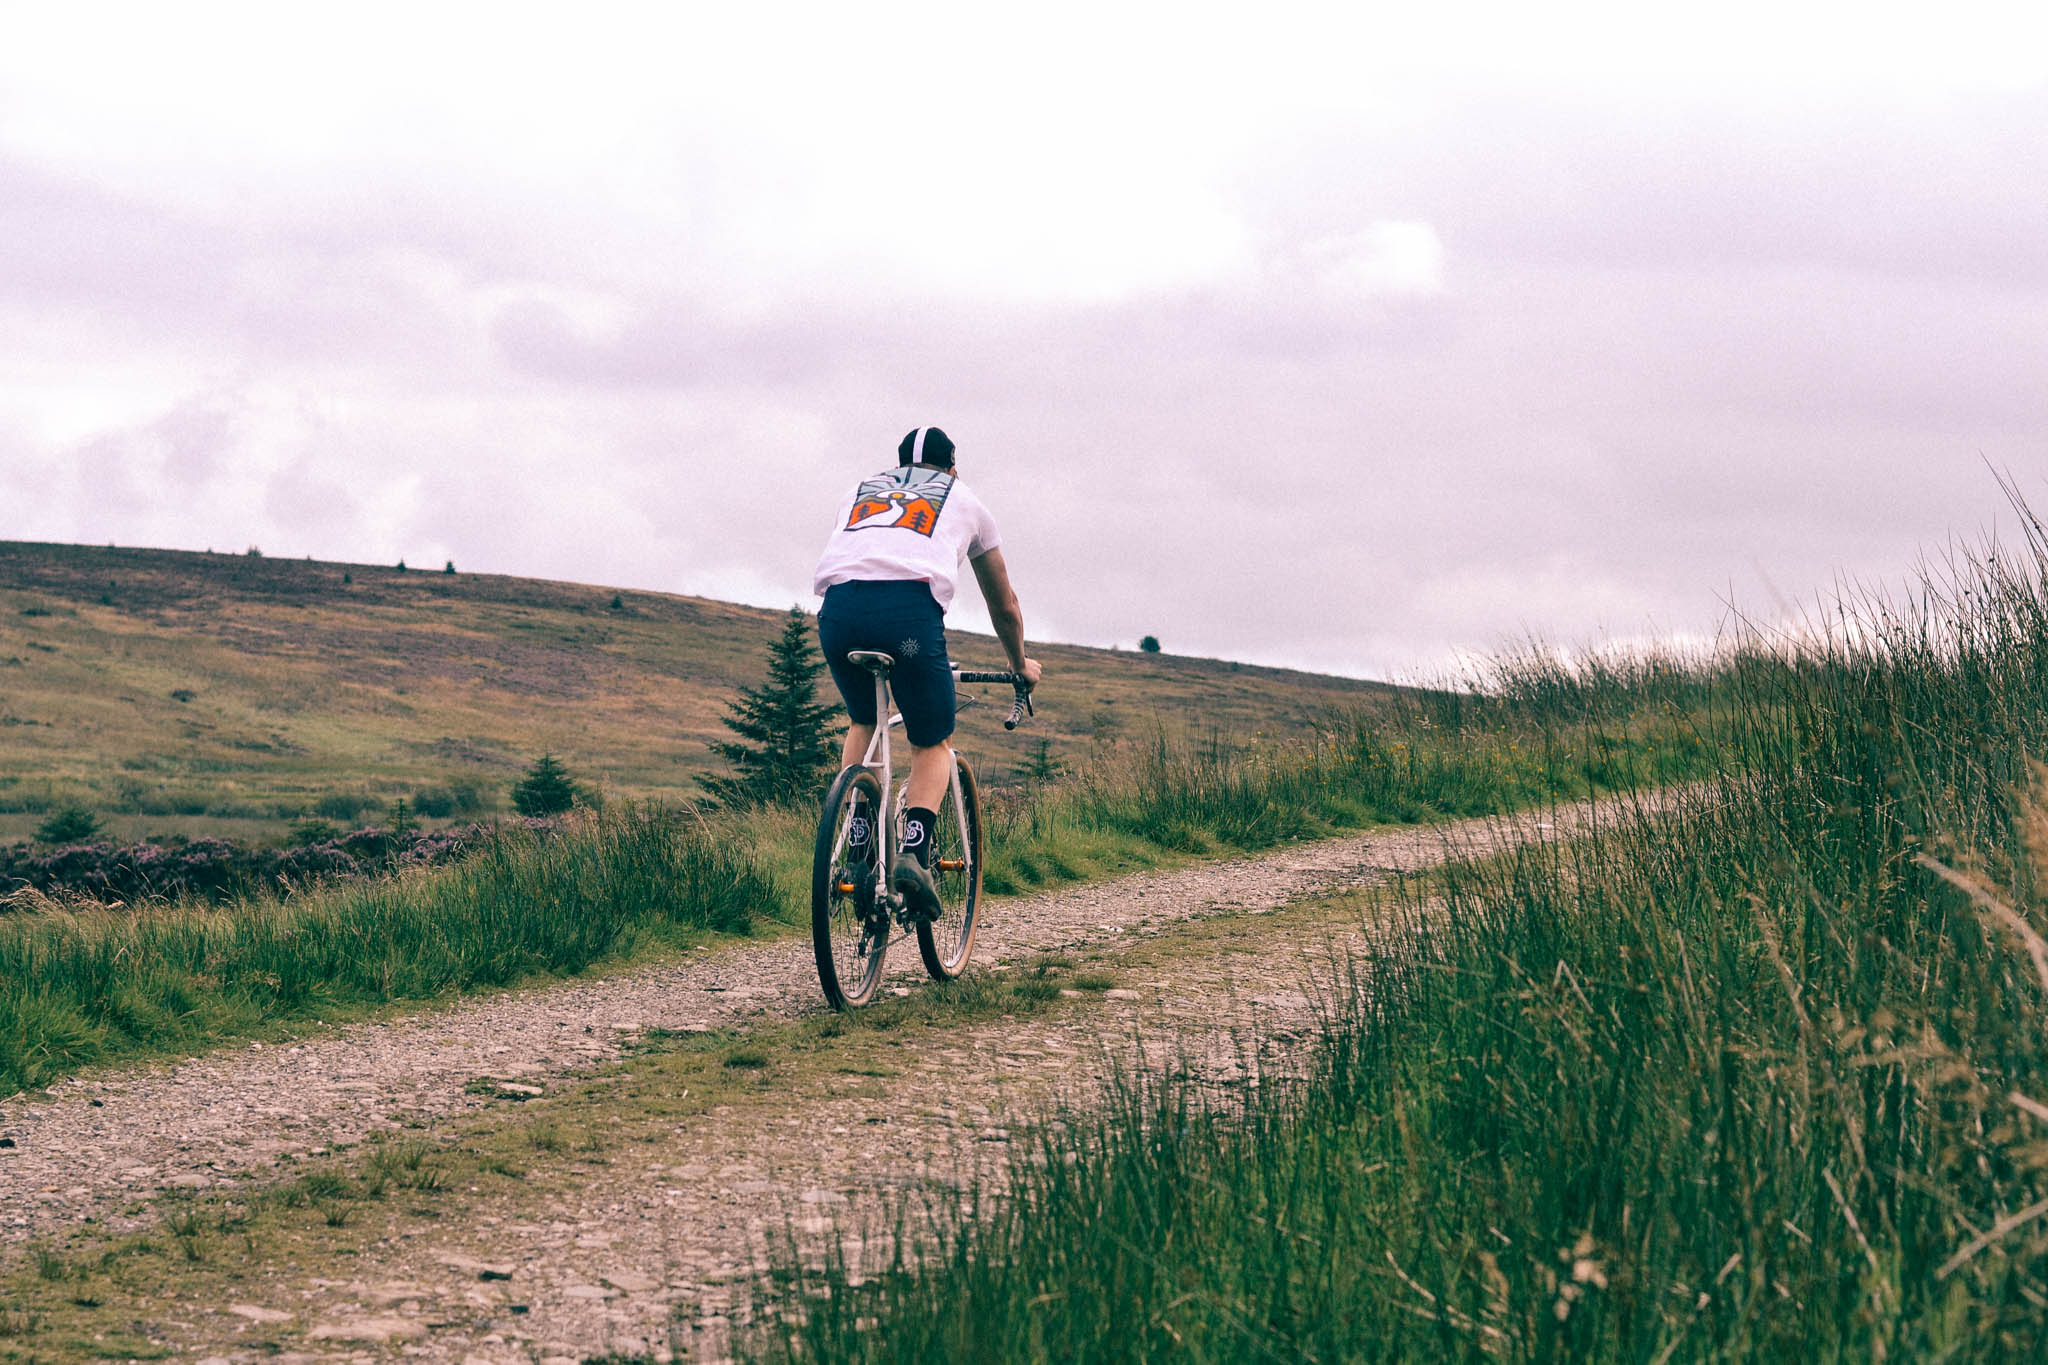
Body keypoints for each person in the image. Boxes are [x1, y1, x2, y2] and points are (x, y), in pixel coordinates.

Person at [812, 426, 1042, 919]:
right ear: (952, 468)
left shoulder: (862, 488)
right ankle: (914, 855)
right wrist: (1019, 664)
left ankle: (857, 846)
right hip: (908, 622)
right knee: (931, 741)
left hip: (838, 614)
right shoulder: (966, 499)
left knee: (864, 722)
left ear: (899, 468)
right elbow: (1004, 606)